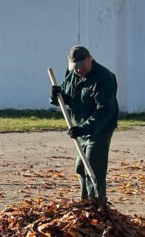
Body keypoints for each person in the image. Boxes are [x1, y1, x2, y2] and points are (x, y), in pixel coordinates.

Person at [50, 45, 119, 200]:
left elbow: (104, 111)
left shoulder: (105, 78)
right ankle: (85, 202)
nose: (78, 70)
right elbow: (68, 97)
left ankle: (98, 205)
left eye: (81, 66)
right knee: (81, 167)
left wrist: (83, 128)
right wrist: (56, 96)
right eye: (75, 67)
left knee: (94, 168)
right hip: (80, 128)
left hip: (99, 130)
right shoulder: (72, 74)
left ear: (90, 59)